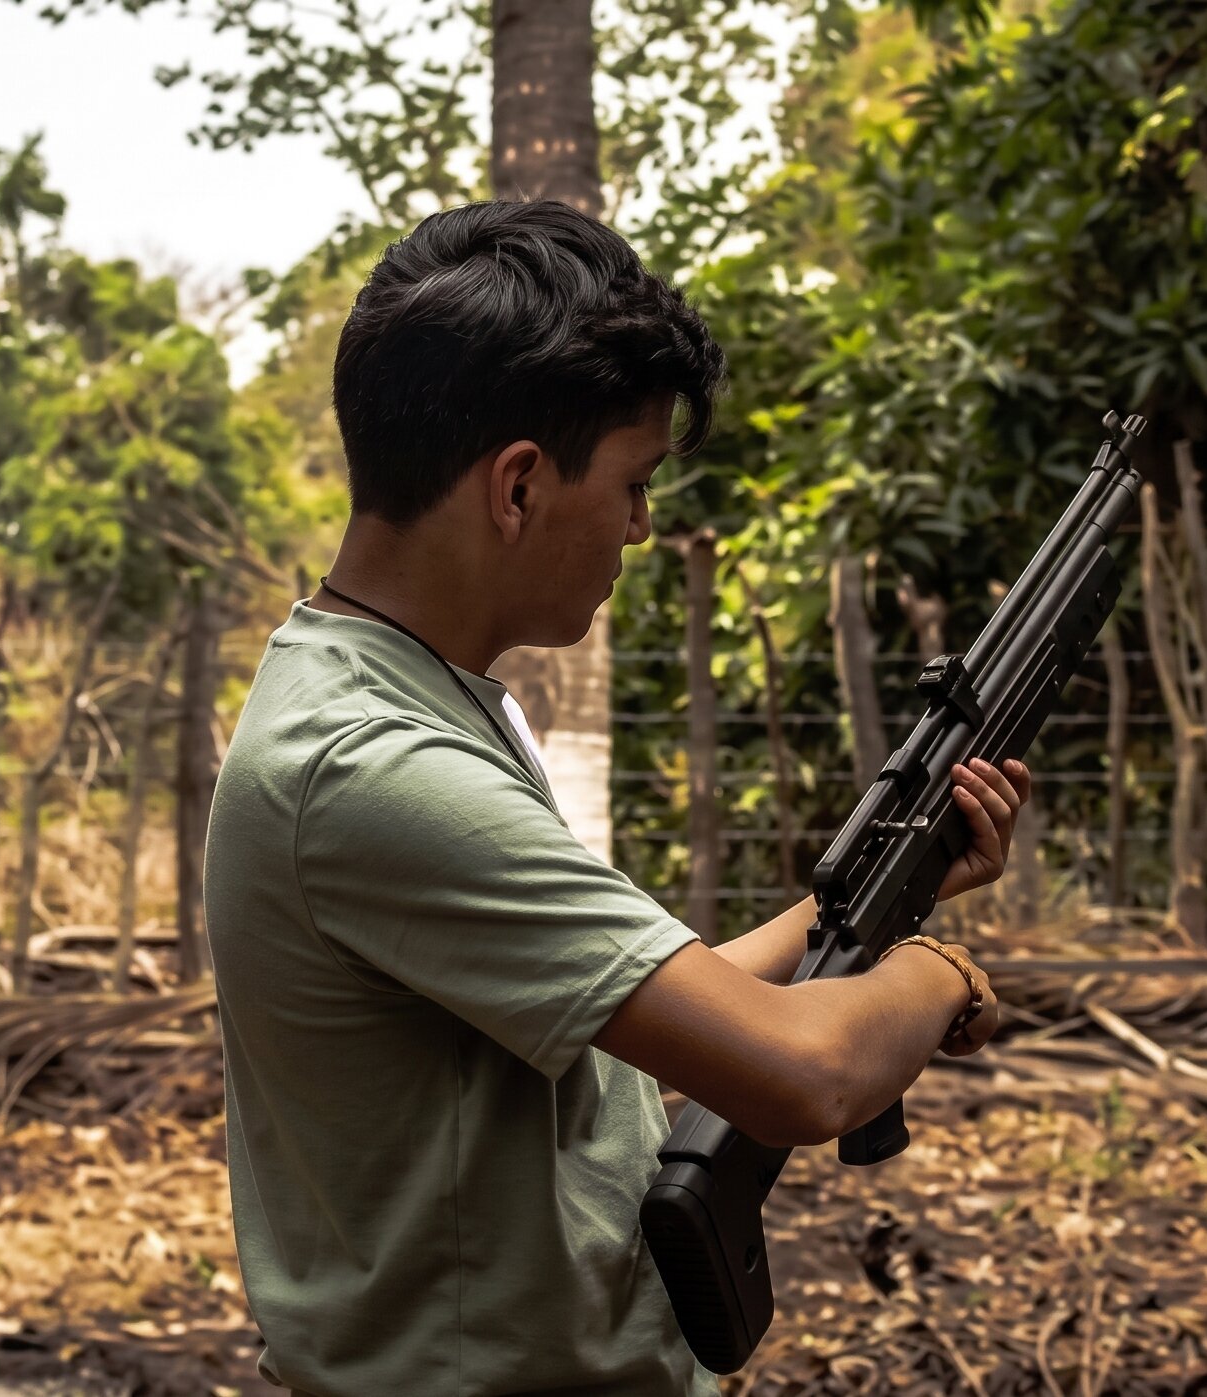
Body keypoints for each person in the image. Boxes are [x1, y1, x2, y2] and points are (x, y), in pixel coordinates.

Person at [204, 199, 1028, 1397]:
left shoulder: (406, 699)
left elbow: (641, 1019)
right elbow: (802, 1074)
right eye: (634, 483)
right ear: (519, 486)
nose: (641, 526)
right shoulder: (376, 765)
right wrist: (938, 974)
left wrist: (874, 891)